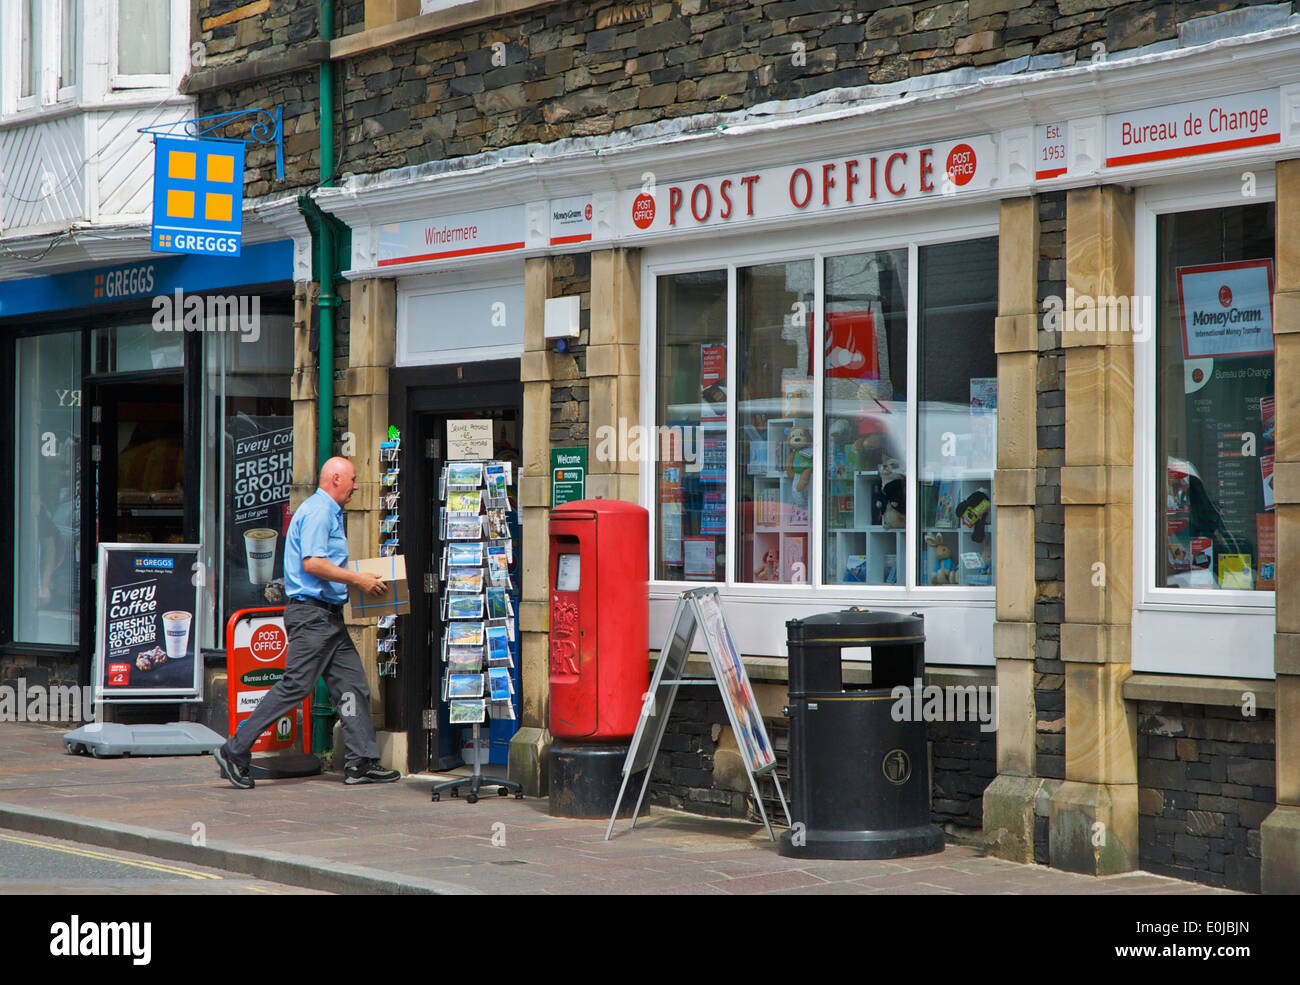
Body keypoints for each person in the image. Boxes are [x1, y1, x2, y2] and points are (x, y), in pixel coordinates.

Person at [215, 457, 400, 789]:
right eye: (353, 479)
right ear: (335, 479)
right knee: (295, 686)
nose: (356, 486)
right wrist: (358, 580)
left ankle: (360, 762)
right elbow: (313, 563)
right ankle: (235, 749)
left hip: (326, 616)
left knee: (352, 685)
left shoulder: (326, 511)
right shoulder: (318, 512)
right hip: (312, 617)